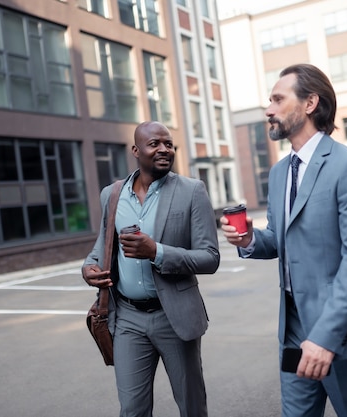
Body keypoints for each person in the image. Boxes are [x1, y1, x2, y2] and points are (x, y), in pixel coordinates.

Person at [221, 64, 347, 417]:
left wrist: (326, 337)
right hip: (294, 330)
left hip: (343, 333)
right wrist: (251, 239)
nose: (268, 110)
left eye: (278, 99)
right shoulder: (281, 172)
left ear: (311, 103)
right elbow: (280, 241)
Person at [82, 121, 220, 417]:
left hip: (174, 317)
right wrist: (89, 269)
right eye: (154, 143)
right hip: (128, 318)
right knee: (132, 409)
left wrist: (156, 251)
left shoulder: (192, 191)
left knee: (191, 405)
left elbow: (210, 257)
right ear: (136, 150)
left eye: (168, 144)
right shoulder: (112, 195)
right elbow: (100, 248)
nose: (164, 150)